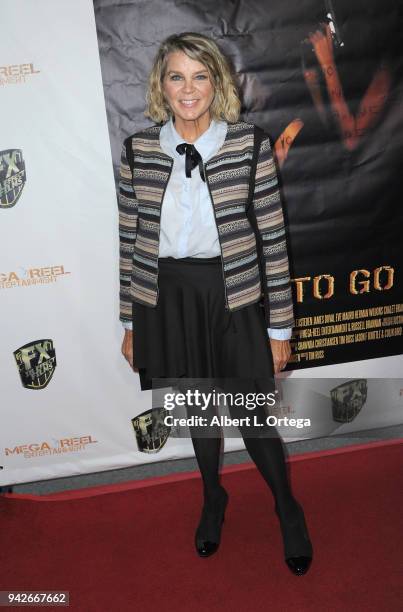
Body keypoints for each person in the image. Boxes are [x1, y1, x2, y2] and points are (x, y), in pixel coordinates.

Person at [118, 31, 313, 575]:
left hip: (234, 297)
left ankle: (287, 507)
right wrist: (130, 320)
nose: (188, 88)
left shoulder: (249, 145)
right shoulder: (139, 150)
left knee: (254, 419)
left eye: (200, 76)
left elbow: (274, 241)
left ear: (217, 83)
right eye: (176, 76)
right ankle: (212, 498)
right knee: (199, 412)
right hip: (169, 299)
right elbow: (131, 241)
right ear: (162, 83)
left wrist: (279, 330)